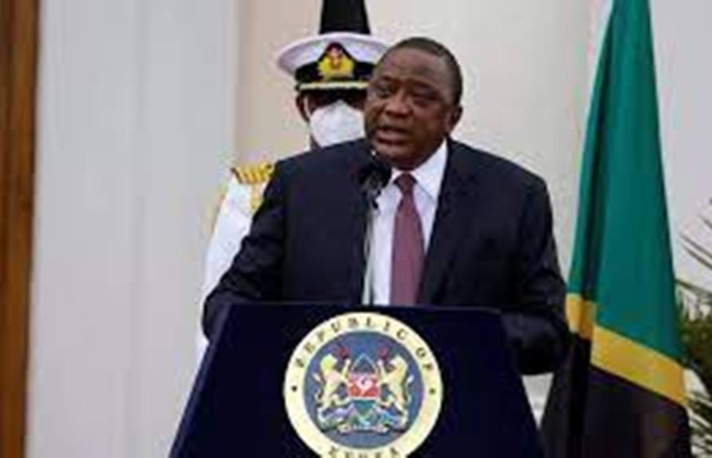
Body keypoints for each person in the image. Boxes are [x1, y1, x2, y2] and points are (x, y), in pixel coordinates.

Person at [203, 37, 569, 374]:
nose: (395, 108)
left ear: (452, 118)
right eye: (384, 91)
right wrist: (301, 342)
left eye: (420, 98)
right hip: (325, 404)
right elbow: (227, 302)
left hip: (457, 411)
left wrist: (457, 340)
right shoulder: (300, 185)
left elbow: (548, 333)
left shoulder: (513, 197)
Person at [201, 0, 389, 298]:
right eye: (324, 99)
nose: (338, 111)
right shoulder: (252, 194)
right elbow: (222, 306)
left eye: (354, 98)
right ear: (303, 107)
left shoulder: (402, 187)